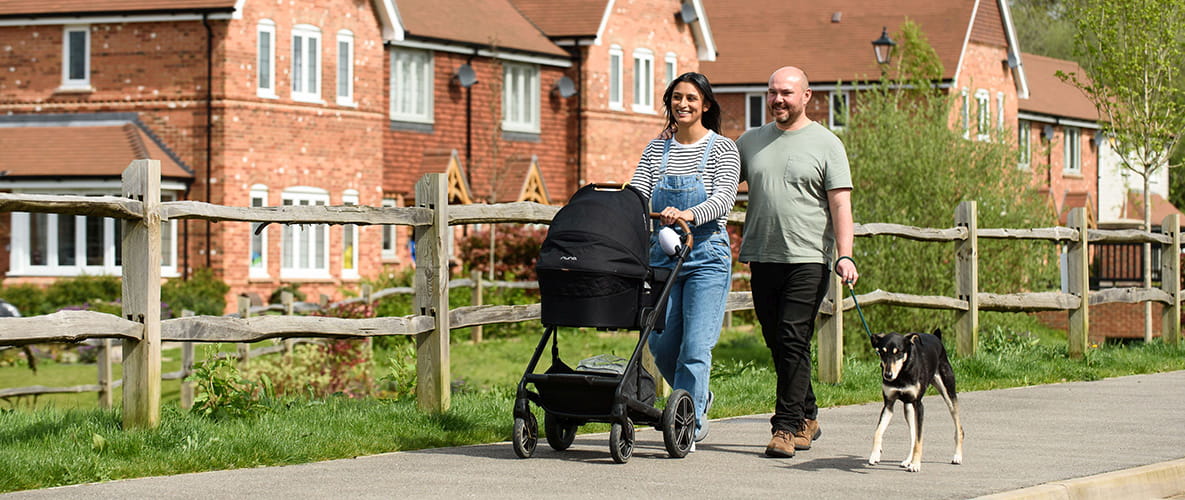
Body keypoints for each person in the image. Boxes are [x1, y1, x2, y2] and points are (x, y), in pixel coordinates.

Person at [737, 66, 859, 458]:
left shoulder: (827, 144)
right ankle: (807, 414)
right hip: (762, 254)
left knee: (792, 336)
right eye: (772, 92)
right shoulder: (749, 141)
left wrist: (845, 254)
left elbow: (841, 203)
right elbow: (719, 181)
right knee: (779, 341)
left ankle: (785, 427)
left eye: (786, 92)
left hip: (808, 257)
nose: (778, 99)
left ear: (807, 96)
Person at [630, 72, 740, 447]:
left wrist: (689, 215)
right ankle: (695, 398)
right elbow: (638, 195)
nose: (683, 104)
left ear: (705, 104)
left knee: (696, 346)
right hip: (662, 254)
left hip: (706, 255)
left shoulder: (723, 149)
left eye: (692, 98)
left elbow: (724, 199)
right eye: (677, 97)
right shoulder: (656, 150)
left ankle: (686, 424)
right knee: (660, 342)